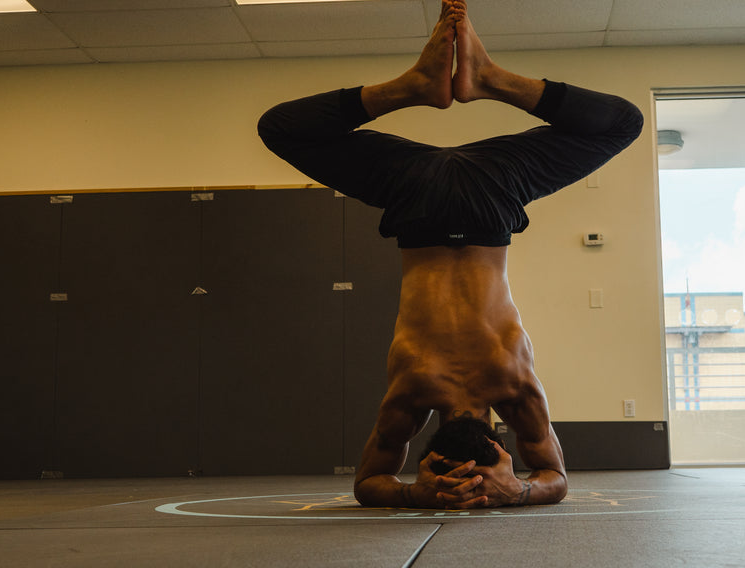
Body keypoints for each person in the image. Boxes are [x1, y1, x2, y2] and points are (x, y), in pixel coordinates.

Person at [258, 0, 642, 509]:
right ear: (425, 441)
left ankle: (484, 79)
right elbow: (370, 486)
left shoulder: (515, 389)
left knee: (624, 122)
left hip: (490, 196)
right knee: (279, 128)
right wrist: (420, 490)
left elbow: (556, 479)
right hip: (416, 197)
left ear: (498, 440)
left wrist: (518, 489)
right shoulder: (411, 396)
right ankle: (417, 86)